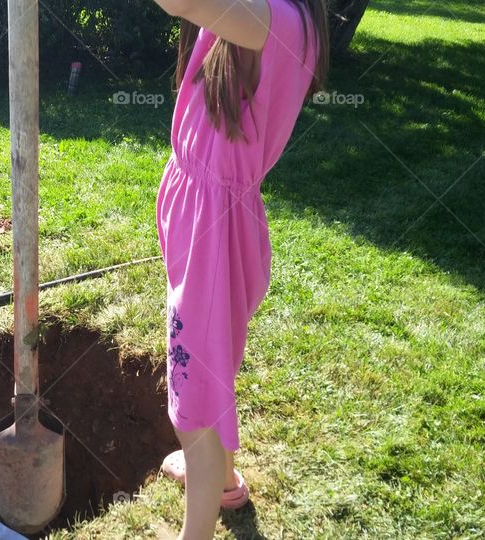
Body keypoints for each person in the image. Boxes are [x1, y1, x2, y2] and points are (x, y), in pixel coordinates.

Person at [150, 0, 329, 536]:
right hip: (203, 221)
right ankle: (224, 480)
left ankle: (198, 513)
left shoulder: (281, 23)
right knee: (211, 358)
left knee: (196, 408)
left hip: (213, 235)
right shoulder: (257, 15)